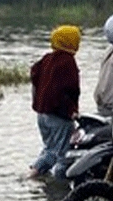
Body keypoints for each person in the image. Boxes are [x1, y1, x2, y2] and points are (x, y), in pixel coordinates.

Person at [29, 25, 81, 179]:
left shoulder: (46, 59)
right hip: (59, 116)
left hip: (42, 115)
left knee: (49, 148)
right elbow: (71, 89)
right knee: (62, 154)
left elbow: (34, 74)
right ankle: (57, 186)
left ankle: (35, 173)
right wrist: (72, 111)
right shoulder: (68, 61)